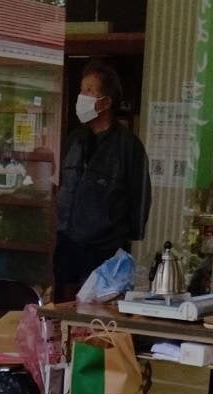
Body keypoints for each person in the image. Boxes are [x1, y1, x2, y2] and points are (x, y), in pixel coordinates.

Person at [53, 62, 151, 302]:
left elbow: (140, 198)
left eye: (89, 91)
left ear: (106, 102)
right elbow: (63, 184)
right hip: (68, 243)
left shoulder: (128, 146)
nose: (81, 97)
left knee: (97, 313)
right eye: (81, 90)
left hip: (105, 249)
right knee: (64, 307)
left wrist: (121, 236)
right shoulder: (75, 139)